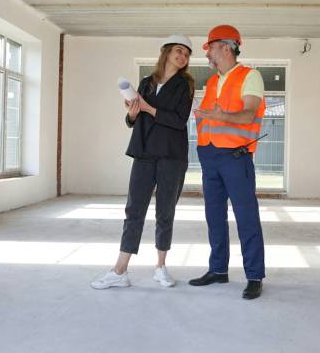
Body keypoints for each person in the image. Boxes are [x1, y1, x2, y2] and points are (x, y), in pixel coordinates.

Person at [91, 35, 194, 290]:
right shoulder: (147, 83)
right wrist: (133, 113)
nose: (183, 56)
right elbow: (134, 120)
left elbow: (179, 121)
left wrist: (148, 108)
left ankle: (160, 267)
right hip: (144, 152)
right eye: (178, 51)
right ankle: (120, 270)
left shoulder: (186, 85)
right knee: (134, 210)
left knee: (165, 212)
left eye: (187, 54)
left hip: (172, 156)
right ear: (167, 53)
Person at [190, 24, 266, 300]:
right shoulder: (211, 82)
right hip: (210, 156)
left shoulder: (250, 76)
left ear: (225, 46)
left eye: (209, 47)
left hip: (235, 157)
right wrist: (202, 117)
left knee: (246, 216)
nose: (207, 54)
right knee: (214, 217)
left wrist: (218, 116)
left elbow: (247, 115)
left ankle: (255, 276)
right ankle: (218, 269)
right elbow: (208, 115)